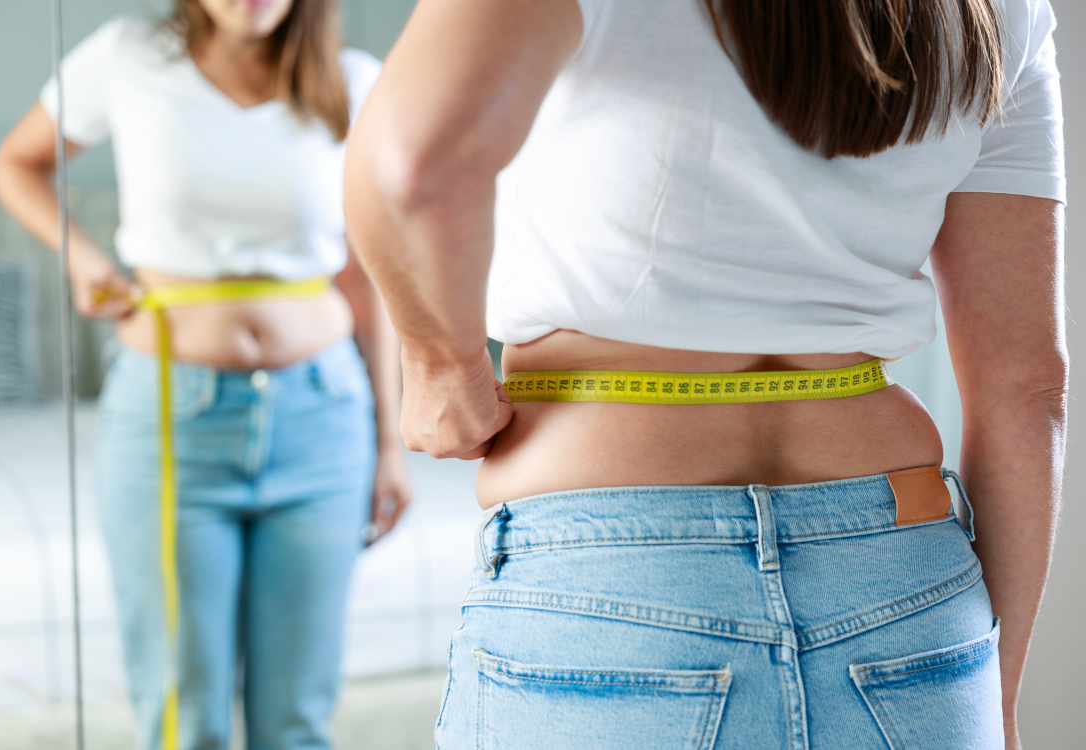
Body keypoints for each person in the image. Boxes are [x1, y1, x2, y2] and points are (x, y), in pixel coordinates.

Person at [346, 0, 1065, 748]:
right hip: (910, 599)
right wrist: (996, 694)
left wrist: (437, 365)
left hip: (613, 590)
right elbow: (1026, 390)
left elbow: (411, 164)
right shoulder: (1002, 10)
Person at [0, 1, 412, 747]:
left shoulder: (356, 82)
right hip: (169, 422)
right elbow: (16, 163)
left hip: (324, 419)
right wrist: (87, 261)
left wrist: (390, 443)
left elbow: (367, 280)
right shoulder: (129, 56)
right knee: (187, 721)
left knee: (298, 722)